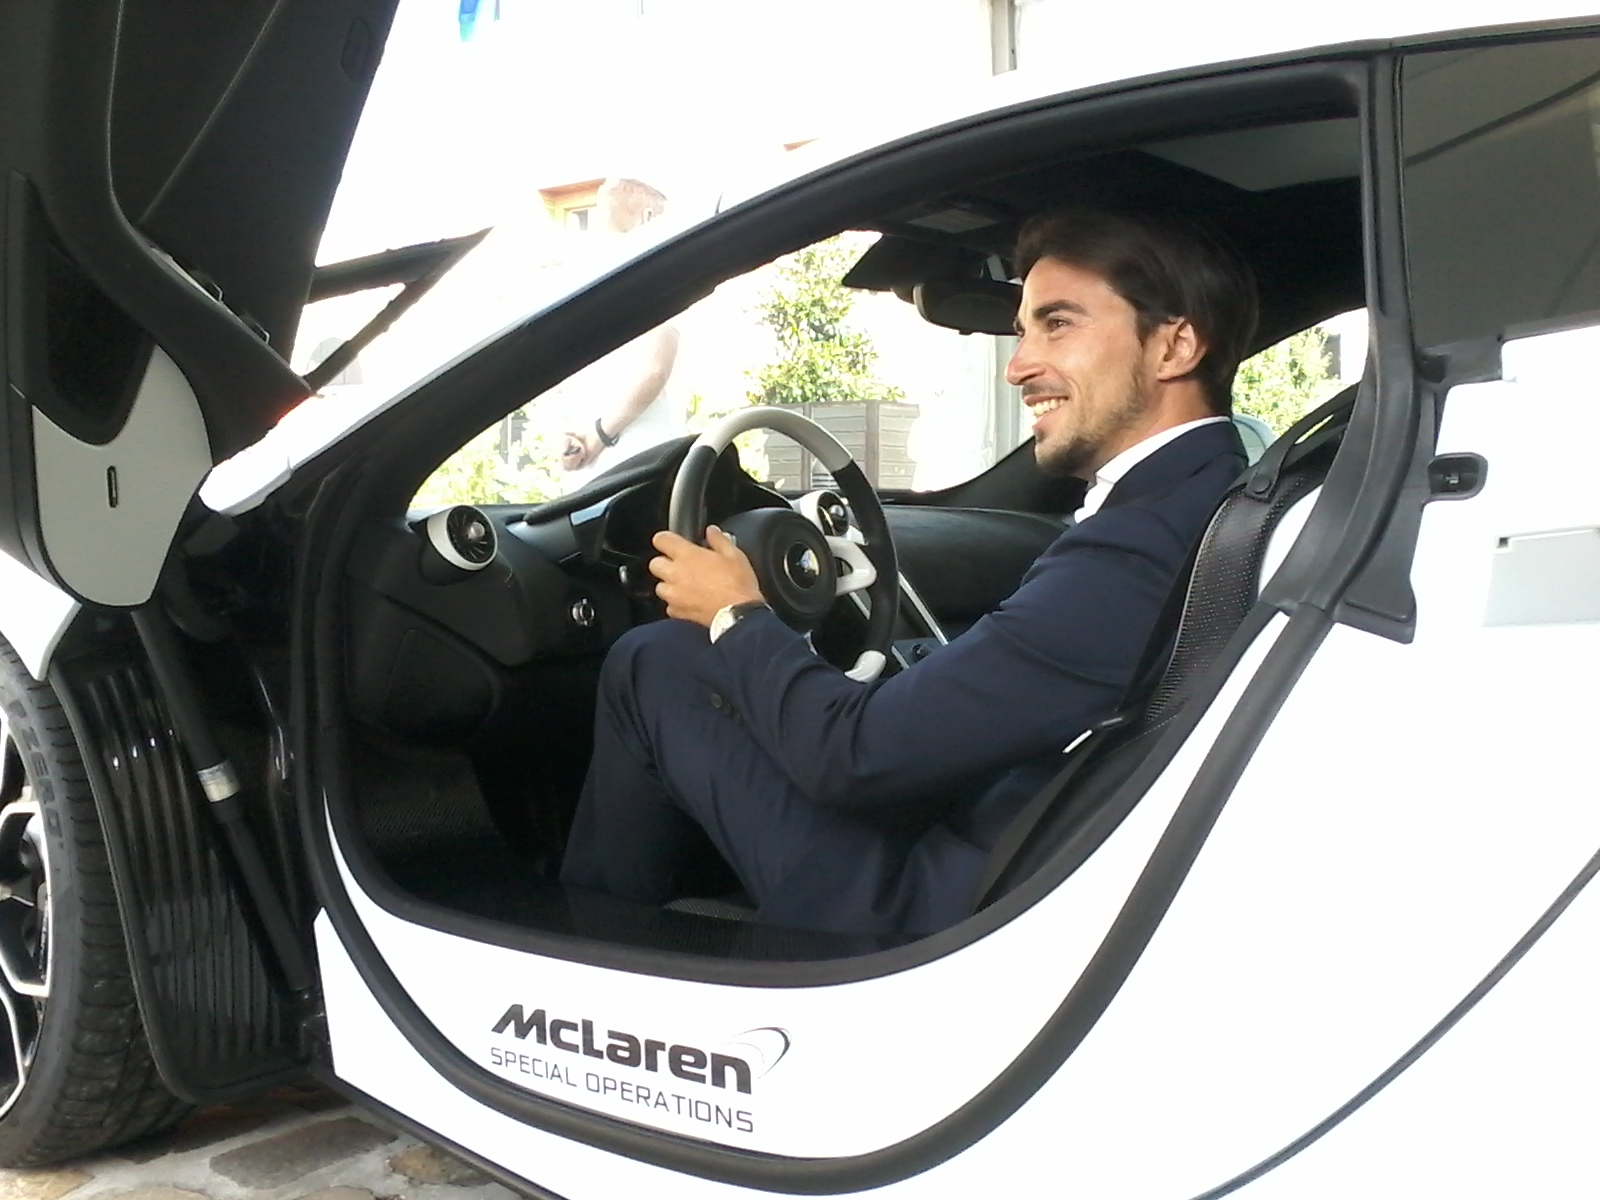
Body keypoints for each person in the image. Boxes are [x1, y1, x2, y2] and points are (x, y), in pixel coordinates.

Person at [559, 208, 1257, 936]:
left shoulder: (1136, 549)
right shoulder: (1208, 501)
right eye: (1024, 331)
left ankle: (588, 949)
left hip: (916, 916)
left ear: (1175, 345)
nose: (1018, 365)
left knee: (655, 662)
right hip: (1011, 848)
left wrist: (738, 614)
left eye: (1058, 324)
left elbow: (852, 755)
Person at [558, 178, 683, 483]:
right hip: (607, 468)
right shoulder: (595, 275)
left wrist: (596, 436)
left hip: (632, 465)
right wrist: (574, 437)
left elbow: (655, 371)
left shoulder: (655, 276)